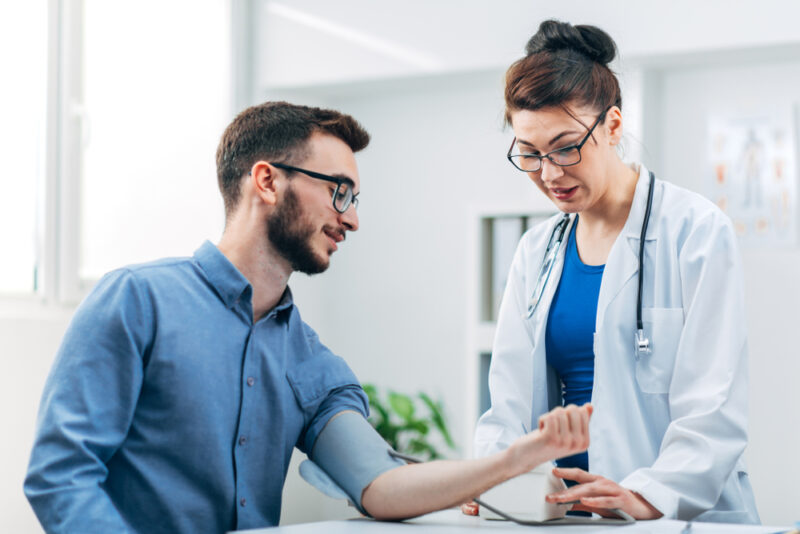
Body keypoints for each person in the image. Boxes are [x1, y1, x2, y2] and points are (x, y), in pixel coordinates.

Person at [24, 101, 593, 534]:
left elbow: (381, 486)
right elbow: (61, 477)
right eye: (339, 191)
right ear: (267, 181)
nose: (352, 219)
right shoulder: (136, 301)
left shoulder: (311, 361)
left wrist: (516, 459)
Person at [465, 20, 759, 523]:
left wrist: (648, 495)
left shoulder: (694, 231)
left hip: (670, 515)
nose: (550, 173)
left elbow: (714, 406)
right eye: (530, 154)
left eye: (565, 146)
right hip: (561, 515)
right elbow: (508, 402)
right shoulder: (536, 251)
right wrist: (494, 477)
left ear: (614, 126)